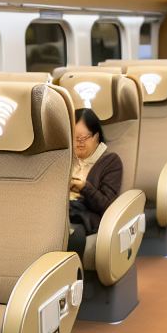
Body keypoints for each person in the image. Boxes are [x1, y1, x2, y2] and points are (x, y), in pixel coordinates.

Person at [67, 108, 123, 253]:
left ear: (96, 136)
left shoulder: (111, 161)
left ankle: (74, 275)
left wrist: (84, 187)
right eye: (75, 138)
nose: (79, 143)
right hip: (60, 210)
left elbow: (106, 205)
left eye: (84, 138)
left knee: (70, 234)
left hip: (83, 215)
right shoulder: (65, 158)